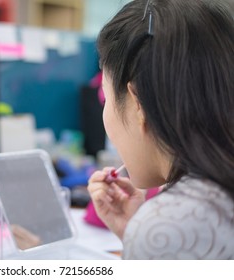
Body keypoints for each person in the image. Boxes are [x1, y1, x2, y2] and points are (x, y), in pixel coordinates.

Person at [87, 0, 234, 259]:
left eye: (107, 97)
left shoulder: (176, 221)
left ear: (137, 102)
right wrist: (138, 236)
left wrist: (151, 233)